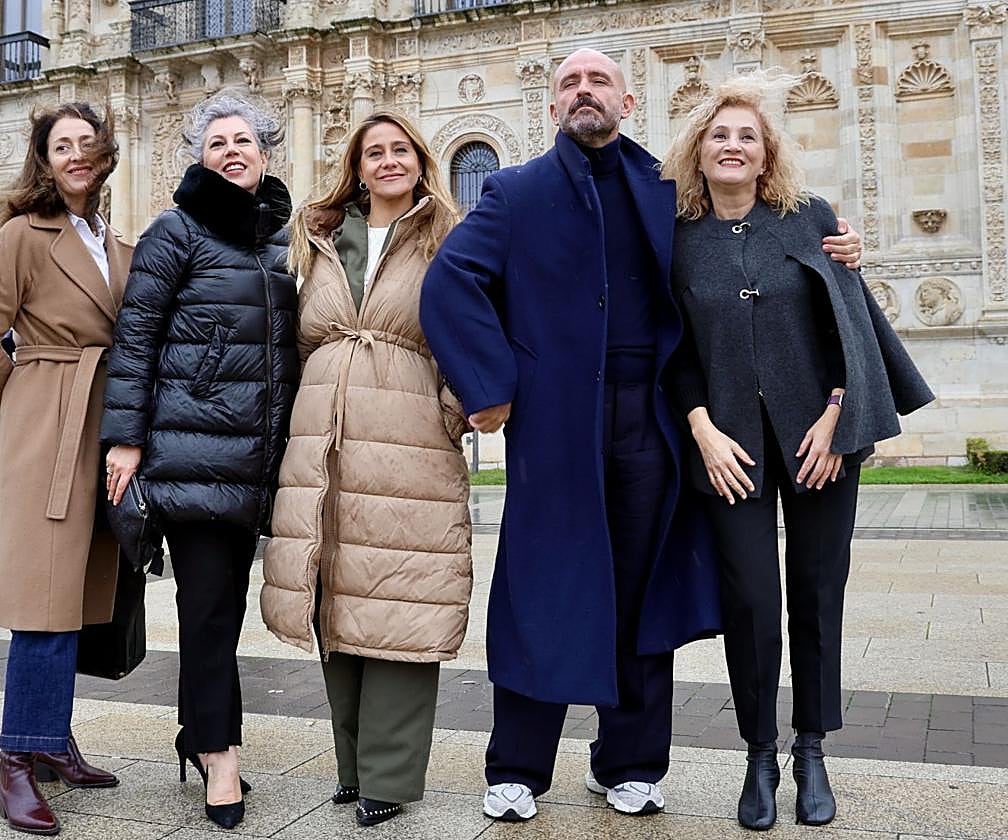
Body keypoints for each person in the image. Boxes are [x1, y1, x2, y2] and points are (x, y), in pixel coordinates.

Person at [419, 49, 865, 824]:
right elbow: (450, 282)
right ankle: (517, 766)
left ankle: (628, 763)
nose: (583, 92)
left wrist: (840, 247)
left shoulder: (668, 189)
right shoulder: (514, 192)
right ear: (552, 106)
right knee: (540, 587)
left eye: (599, 82)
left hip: (654, 420)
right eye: (569, 83)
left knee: (643, 590)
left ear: (627, 103)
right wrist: (492, 388)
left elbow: (753, 235)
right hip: (556, 424)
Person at [661, 73, 933, 830]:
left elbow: (847, 322)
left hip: (819, 441)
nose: (733, 146)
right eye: (719, 135)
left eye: (747, 136)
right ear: (698, 150)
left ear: (767, 152)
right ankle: (759, 753)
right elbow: (672, 347)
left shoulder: (810, 218)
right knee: (750, 600)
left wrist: (838, 415)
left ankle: (811, 749)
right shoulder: (677, 237)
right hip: (729, 450)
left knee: (816, 593)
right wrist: (701, 428)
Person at [260, 110, 470, 827]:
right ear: (356, 166)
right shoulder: (318, 237)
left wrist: (453, 411)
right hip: (323, 440)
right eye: (373, 152)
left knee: (402, 596)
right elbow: (294, 342)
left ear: (420, 160)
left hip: (409, 438)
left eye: (399, 149)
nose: (387, 161)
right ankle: (352, 767)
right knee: (336, 595)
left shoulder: (446, 236)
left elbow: (471, 329)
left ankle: (391, 773)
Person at [100, 90, 297, 831]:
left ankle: (197, 730)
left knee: (222, 609)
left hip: (256, 461)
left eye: (243, 141)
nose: (231, 152)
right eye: (217, 143)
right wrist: (125, 439)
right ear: (199, 159)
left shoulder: (280, 241)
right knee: (209, 610)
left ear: (265, 153)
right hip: (193, 454)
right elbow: (136, 338)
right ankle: (220, 754)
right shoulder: (175, 231)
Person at [0, 102, 130, 836]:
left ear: (105, 154)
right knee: (43, 600)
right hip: (50, 426)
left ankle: (53, 741)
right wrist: (28, 408)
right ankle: (16, 761)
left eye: (88, 143)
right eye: (62, 146)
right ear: (45, 161)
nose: (76, 155)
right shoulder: (23, 235)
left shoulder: (113, 242)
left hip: (103, 423)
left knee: (78, 593)